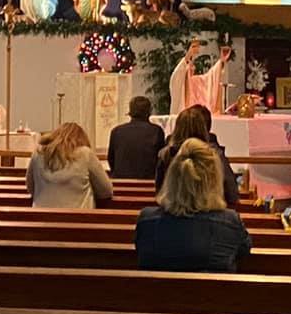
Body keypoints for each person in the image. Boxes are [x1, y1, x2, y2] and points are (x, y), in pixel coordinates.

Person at [135, 139, 254, 273]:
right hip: (215, 293)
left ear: (171, 178)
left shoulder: (146, 220)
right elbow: (244, 251)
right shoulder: (230, 222)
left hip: (155, 293)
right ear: (214, 181)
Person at [155, 104, 241, 209]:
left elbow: (159, 191)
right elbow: (231, 194)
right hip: (209, 215)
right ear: (204, 129)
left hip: (172, 214)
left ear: (178, 128)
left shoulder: (166, 155)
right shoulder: (214, 155)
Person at [28, 122, 114, 210]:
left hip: (41, 218)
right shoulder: (85, 154)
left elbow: (30, 187)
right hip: (77, 220)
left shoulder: (38, 153)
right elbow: (106, 190)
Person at [106, 95, 166, 181]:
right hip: (148, 186)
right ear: (149, 112)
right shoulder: (156, 131)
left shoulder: (116, 131)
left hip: (121, 186)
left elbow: (111, 160)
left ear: (131, 112)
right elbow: (160, 161)